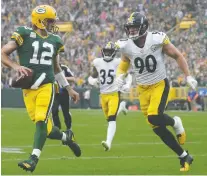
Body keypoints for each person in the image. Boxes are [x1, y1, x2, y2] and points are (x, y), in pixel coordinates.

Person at [1, 5, 81, 172]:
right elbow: (3, 53)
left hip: (47, 85)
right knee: (48, 130)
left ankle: (33, 159)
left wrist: (68, 89)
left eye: (52, 21)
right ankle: (67, 137)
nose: (52, 24)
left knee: (41, 121)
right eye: (49, 20)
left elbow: (57, 69)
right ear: (39, 20)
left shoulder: (55, 40)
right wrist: (16, 67)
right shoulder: (23, 33)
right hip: (29, 88)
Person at [115, 12, 197, 172]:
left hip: (160, 84)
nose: (131, 31)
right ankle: (184, 156)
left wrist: (188, 76)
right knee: (156, 127)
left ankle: (175, 123)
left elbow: (177, 55)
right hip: (142, 88)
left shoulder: (157, 39)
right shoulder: (126, 45)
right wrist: (120, 75)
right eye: (129, 28)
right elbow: (124, 63)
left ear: (144, 27)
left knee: (154, 116)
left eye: (134, 28)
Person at [88, 41, 132, 151]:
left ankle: (108, 143)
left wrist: (128, 84)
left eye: (109, 52)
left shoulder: (118, 62)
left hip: (114, 94)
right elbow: (91, 76)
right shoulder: (97, 62)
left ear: (114, 52)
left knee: (112, 119)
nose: (107, 54)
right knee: (109, 119)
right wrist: (93, 81)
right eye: (106, 51)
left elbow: (128, 75)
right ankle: (121, 108)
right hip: (103, 95)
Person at [52, 64, 75, 130]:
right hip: (55, 93)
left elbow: (73, 79)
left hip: (65, 92)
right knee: (54, 111)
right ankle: (57, 128)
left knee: (66, 112)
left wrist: (62, 77)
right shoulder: (49, 67)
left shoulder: (64, 67)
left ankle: (69, 128)